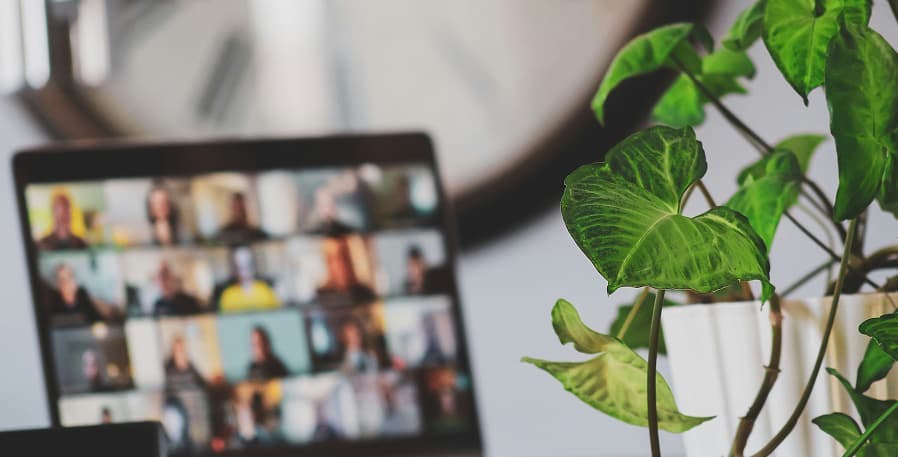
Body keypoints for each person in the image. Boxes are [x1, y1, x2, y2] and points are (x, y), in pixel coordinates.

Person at [217, 247, 281, 313]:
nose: (244, 271)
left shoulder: (266, 291)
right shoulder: (228, 296)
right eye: (239, 267)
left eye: (247, 265)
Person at [48, 263, 114, 326]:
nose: (66, 283)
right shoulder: (53, 302)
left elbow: (97, 320)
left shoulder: (83, 296)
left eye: (69, 277)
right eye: (62, 280)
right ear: (57, 284)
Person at [316, 237, 375, 305]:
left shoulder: (367, 294)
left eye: (344, 256)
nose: (338, 264)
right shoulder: (321, 298)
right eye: (331, 259)